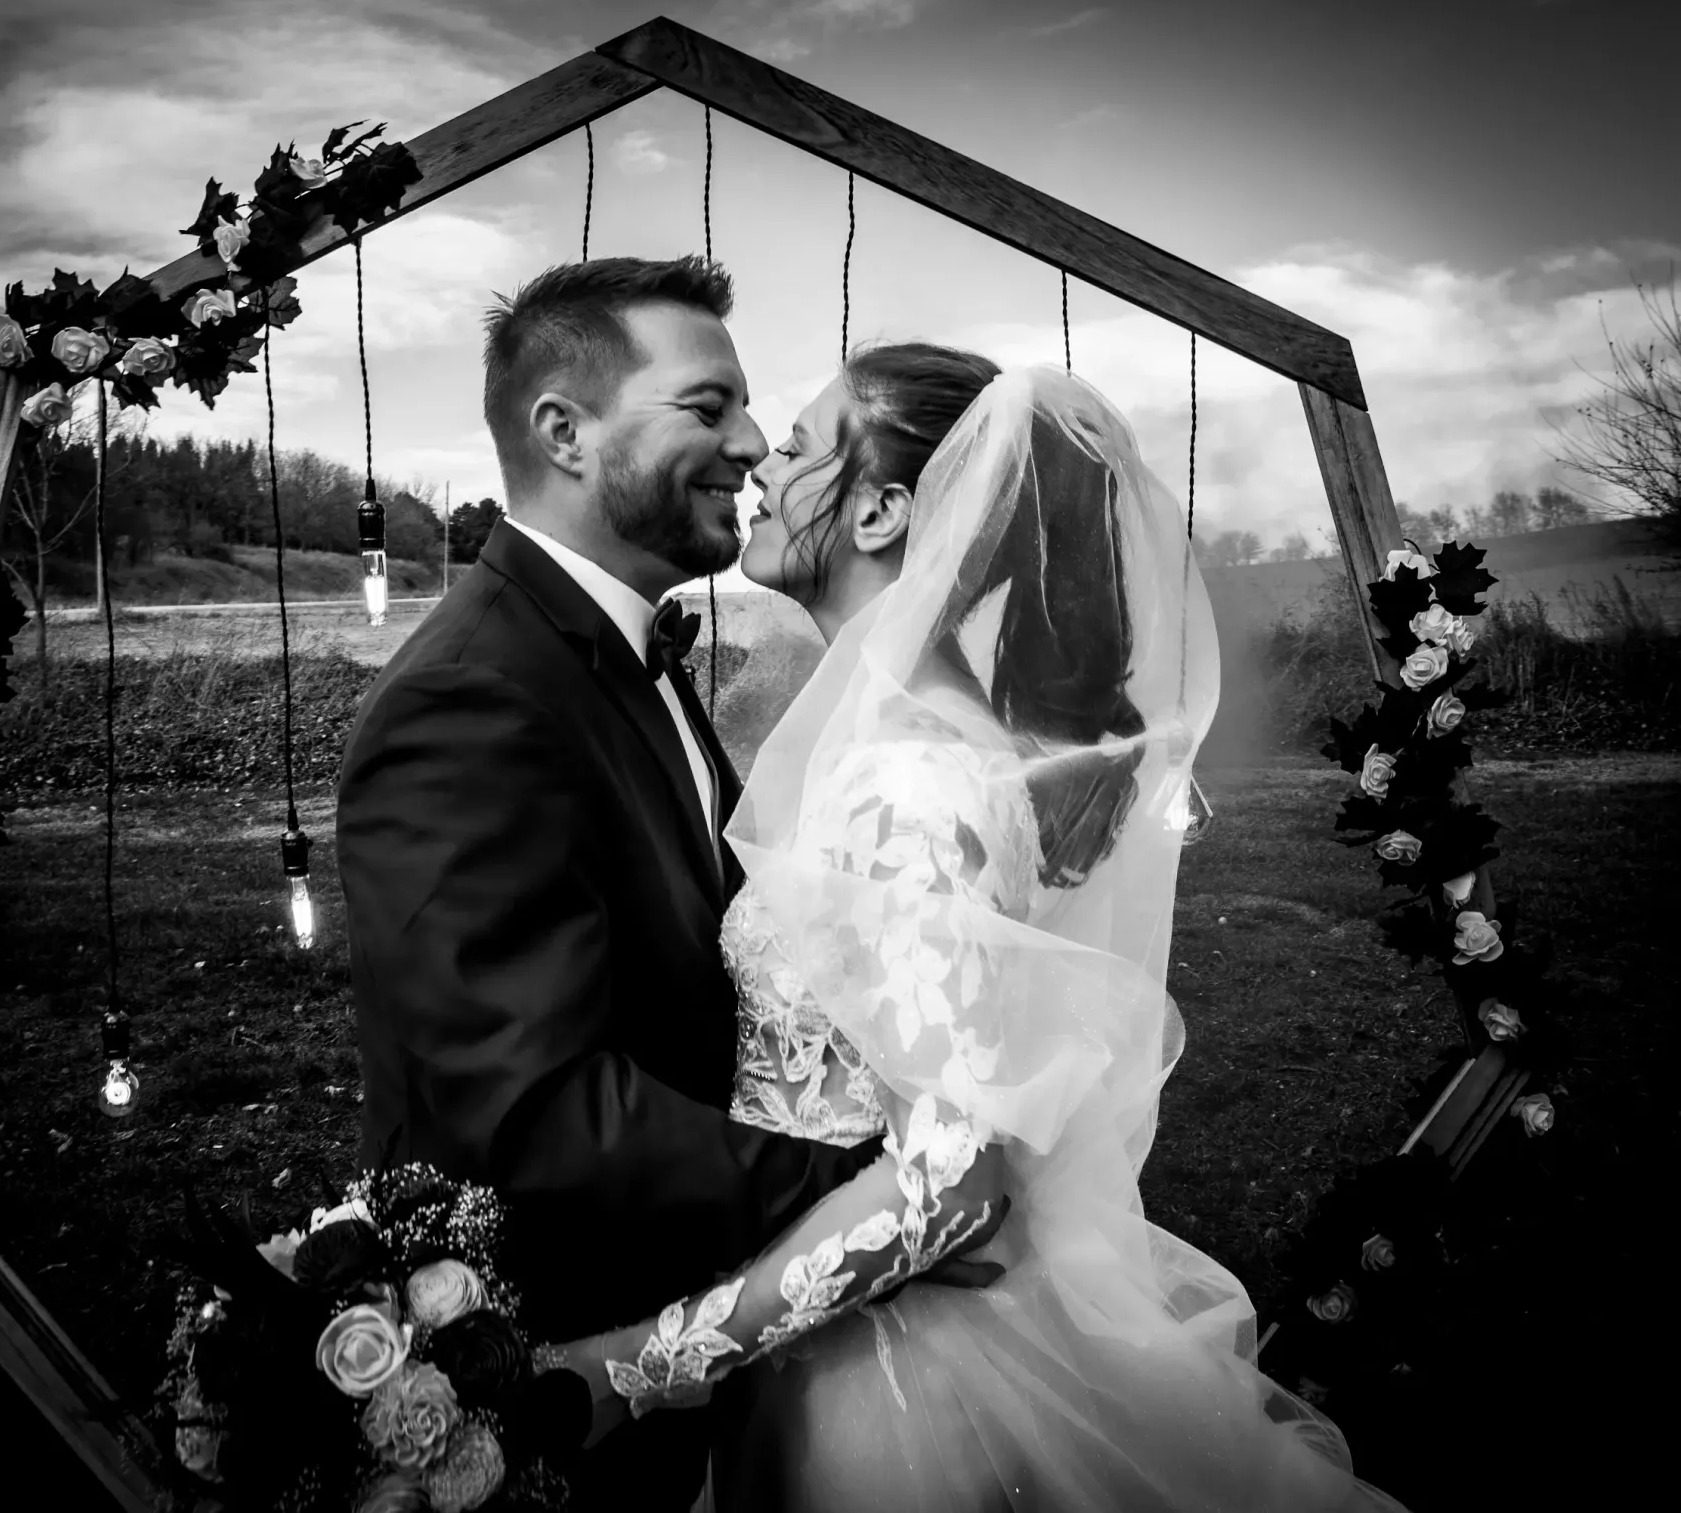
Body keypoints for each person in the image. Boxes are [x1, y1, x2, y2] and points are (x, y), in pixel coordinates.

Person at [548, 345, 1413, 1512]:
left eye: (799, 443)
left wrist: (647, 1361)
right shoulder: (926, 727)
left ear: (880, 509)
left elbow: (952, 1179)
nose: (761, 462)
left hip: (885, 1391)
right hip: (846, 1324)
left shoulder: (903, 777)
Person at [335, 258, 997, 1512]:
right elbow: (526, 1107)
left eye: (758, 415)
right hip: (558, 1373)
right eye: (710, 406)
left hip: (702, 1355)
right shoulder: (474, 694)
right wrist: (870, 1204)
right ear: (565, 432)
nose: (751, 442)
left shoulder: (626, 657)